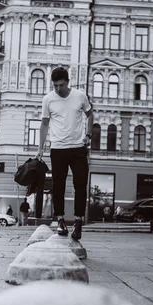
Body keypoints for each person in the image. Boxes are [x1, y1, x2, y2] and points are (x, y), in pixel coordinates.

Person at [36, 67, 93, 241]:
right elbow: (45, 124)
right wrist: (40, 148)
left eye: (61, 85)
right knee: (58, 186)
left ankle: (77, 222)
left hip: (78, 148)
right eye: (55, 86)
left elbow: (90, 115)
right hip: (58, 148)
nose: (58, 89)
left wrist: (88, 135)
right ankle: (60, 221)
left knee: (80, 185)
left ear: (68, 82)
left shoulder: (80, 96)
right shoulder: (48, 99)